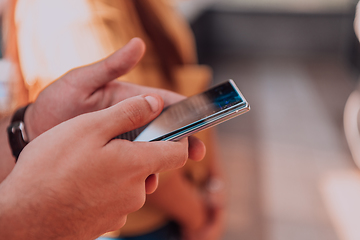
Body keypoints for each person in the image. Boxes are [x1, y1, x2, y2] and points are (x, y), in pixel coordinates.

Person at [4, 1, 226, 239]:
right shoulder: (73, 14)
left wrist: (32, 126)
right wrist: (198, 217)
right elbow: (129, 155)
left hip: (175, 202)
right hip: (147, 223)